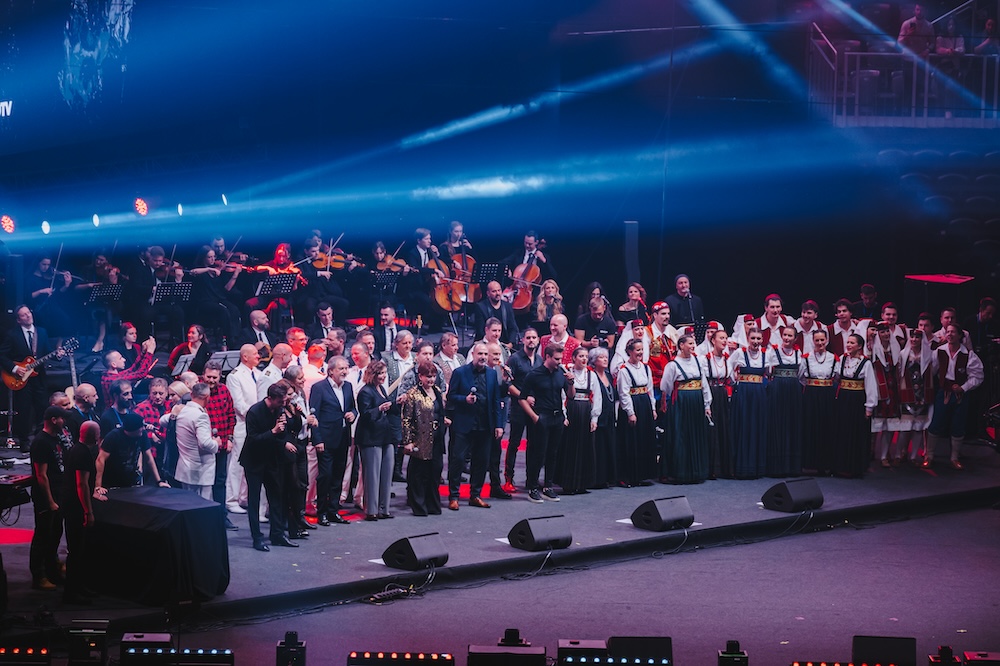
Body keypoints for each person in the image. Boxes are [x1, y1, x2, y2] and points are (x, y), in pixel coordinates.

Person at [242, 381, 299, 551]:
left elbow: (281, 436)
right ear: (271, 398)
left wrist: (283, 430)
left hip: (271, 459)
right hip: (254, 460)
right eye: (280, 401)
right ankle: (257, 538)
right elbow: (253, 439)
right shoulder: (254, 412)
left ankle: (277, 534)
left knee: (276, 498)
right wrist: (273, 431)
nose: (283, 404)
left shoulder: (279, 410)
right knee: (254, 499)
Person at [446, 343, 503, 510]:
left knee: (482, 461)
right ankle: (454, 496)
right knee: (458, 460)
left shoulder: (492, 374)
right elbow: (451, 396)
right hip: (464, 425)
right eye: (480, 354)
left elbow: (496, 400)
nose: (483, 357)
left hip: (485, 425)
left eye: (485, 354)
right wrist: (464, 399)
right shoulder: (460, 372)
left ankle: (475, 495)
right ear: (473, 355)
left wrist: (498, 425)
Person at [0, 305, 64, 445]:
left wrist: (57, 355)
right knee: (24, 410)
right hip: (21, 378)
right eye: (24, 315)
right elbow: (2, 355)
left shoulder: (41, 331)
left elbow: (47, 351)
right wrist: (15, 368)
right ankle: (24, 441)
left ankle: (41, 439)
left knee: (42, 408)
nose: (28, 315)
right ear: (18, 320)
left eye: (28, 312)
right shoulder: (12, 334)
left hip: (39, 377)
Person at [925, 323, 984, 470]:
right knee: (936, 423)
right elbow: (932, 371)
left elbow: (978, 376)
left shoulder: (968, 354)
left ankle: (954, 457)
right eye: (948, 332)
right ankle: (929, 456)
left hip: (960, 395)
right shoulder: (939, 351)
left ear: (959, 335)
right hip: (943, 393)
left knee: (958, 425)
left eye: (953, 332)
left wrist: (963, 387)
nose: (950, 334)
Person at [519, 343, 574, 503]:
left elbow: (571, 396)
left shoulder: (561, 373)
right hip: (542, 417)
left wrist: (571, 383)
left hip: (557, 417)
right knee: (538, 454)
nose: (559, 362)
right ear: (547, 357)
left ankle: (548, 486)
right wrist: (535, 417)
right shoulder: (534, 375)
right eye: (556, 359)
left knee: (553, 453)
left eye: (560, 358)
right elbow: (522, 398)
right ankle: (533, 487)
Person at [310, 355, 357, 525]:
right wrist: (317, 439)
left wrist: (353, 414)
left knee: (338, 476)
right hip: (326, 439)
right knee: (325, 476)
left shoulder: (348, 386)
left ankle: (333, 510)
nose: (345, 371)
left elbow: (353, 408)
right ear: (331, 371)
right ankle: (321, 511)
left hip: (342, 438)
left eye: (346, 368)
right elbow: (314, 415)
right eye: (341, 368)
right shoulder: (319, 388)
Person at [660, 333, 711, 484]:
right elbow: (665, 386)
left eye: (694, 343)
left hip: (696, 402)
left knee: (696, 434)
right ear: (681, 345)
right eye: (690, 343)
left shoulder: (698, 361)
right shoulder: (673, 365)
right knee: (681, 435)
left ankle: (696, 471)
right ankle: (680, 472)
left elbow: (704, 384)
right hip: (682, 403)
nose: (693, 346)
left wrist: (707, 404)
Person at [62, 421, 103, 604]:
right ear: (95, 436)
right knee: (76, 550)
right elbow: (81, 484)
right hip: (75, 508)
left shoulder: (77, 449)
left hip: (73, 505)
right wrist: (88, 511)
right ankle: (71, 592)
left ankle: (78, 586)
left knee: (80, 550)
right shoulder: (83, 454)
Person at [29, 406, 69, 592]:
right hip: (46, 497)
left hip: (59, 494)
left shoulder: (56, 438)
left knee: (55, 535)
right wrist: (50, 501)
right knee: (43, 536)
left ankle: (52, 571)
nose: (64, 422)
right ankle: (38, 576)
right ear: (54, 420)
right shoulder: (41, 442)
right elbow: (41, 475)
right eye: (62, 419)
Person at [401, 360, 448, 516]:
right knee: (419, 474)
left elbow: (438, 412)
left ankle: (432, 505)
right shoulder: (413, 394)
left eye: (433, 376)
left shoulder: (437, 391)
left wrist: (443, 420)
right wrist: (408, 441)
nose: (431, 379)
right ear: (420, 376)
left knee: (435, 472)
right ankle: (418, 505)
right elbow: (406, 419)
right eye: (428, 376)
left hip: (437, 438)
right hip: (420, 439)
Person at [832, 334, 878, 478]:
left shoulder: (866, 363)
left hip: (857, 400)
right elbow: (836, 377)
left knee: (855, 432)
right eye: (848, 342)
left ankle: (854, 467)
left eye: (852, 343)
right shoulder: (842, 359)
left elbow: (871, 385)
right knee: (842, 431)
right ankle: (840, 465)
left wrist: (869, 407)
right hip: (843, 398)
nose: (849, 345)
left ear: (859, 346)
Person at [557, 346, 601, 494]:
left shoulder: (591, 375)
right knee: (570, 446)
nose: (584, 359)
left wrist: (594, 418)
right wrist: (564, 415)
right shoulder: (567, 373)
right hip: (572, 410)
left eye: (586, 356)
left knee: (585, 446)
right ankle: (568, 483)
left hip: (586, 411)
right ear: (574, 358)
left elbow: (597, 397)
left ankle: (582, 483)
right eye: (581, 356)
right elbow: (562, 396)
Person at [503, 327, 543, 492]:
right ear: (523, 340)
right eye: (528, 337)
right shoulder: (514, 359)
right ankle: (508, 479)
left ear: (538, 340)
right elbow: (507, 384)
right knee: (514, 443)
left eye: (534, 337)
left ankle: (531, 479)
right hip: (518, 407)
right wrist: (524, 397)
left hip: (535, 408)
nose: (531, 340)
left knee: (534, 444)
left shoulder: (540, 360)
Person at [355, 360, 395, 521]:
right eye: (380, 373)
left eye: (384, 373)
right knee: (372, 475)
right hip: (370, 438)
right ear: (372, 374)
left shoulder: (382, 389)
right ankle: (371, 510)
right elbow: (365, 414)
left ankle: (384, 509)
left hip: (385, 436)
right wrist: (379, 408)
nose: (383, 376)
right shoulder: (365, 391)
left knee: (387, 473)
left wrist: (396, 403)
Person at [225, 344, 261, 516]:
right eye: (255, 354)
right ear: (245, 357)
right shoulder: (235, 376)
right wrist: (257, 416)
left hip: (257, 425)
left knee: (252, 463)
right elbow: (238, 404)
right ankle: (231, 500)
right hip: (243, 424)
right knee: (237, 464)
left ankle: (244, 497)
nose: (258, 356)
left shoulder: (258, 373)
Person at [202, 361, 237, 530]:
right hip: (204, 447)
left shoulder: (224, 390)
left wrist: (230, 438)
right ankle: (203, 518)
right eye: (208, 376)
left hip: (222, 445)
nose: (211, 380)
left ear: (220, 377)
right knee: (203, 482)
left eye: (214, 377)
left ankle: (222, 517)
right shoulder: (198, 391)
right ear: (203, 375)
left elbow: (231, 415)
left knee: (220, 481)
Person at [616, 339, 656, 488]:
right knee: (631, 441)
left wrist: (653, 408)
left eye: (641, 349)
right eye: (637, 350)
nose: (640, 352)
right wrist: (630, 412)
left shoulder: (646, 368)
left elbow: (650, 389)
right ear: (630, 352)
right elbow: (623, 393)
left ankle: (642, 474)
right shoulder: (624, 370)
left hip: (644, 404)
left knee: (644, 439)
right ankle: (628, 476)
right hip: (632, 404)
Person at [764, 326, 803, 477]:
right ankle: (776, 465)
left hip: (793, 391)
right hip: (778, 389)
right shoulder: (773, 351)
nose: (786, 338)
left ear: (795, 338)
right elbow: (767, 371)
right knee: (777, 423)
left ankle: (791, 466)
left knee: (792, 424)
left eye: (790, 336)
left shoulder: (798, 353)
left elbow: (801, 374)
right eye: (785, 335)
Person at [729, 328, 768, 479]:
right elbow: (728, 368)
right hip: (744, 393)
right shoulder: (739, 353)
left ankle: (757, 466)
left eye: (758, 338)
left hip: (759, 394)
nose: (756, 342)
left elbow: (769, 373)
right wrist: (735, 383)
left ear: (762, 340)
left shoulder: (766, 354)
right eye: (753, 338)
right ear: (748, 338)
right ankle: (742, 466)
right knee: (744, 425)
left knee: (757, 426)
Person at [95, 412, 170, 490]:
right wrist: (98, 486)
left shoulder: (142, 435)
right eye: (141, 427)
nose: (143, 429)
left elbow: (149, 458)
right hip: (112, 480)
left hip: (130, 479)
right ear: (132, 429)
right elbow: (100, 460)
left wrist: (159, 481)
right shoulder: (113, 436)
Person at [799, 329, 838, 476]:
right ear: (813, 341)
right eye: (817, 340)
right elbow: (801, 377)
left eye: (822, 340)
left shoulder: (833, 358)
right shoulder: (806, 357)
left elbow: (837, 377)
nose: (820, 343)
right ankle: (810, 463)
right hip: (811, 395)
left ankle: (825, 464)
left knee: (826, 428)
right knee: (811, 427)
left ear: (827, 340)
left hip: (827, 395)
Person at [173, 382, 221, 499]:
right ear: (207, 397)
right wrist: (216, 443)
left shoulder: (182, 411)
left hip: (185, 469)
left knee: (187, 503)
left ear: (191, 394)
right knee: (202, 505)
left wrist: (173, 414)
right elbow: (205, 443)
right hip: (199, 472)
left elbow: (162, 421)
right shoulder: (200, 415)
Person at [897, 327, 937, 466]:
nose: (914, 339)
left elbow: (934, 372)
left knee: (919, 428)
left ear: (922, 339)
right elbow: (899, 372)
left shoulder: (929, 355)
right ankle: (899, 454)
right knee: (904, 428)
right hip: (907, 393)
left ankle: (913, 456)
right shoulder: (903, 354)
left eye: (917, 337)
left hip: (922, 393)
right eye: (912, 337)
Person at [188, 245, 243, 343]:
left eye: (214, 256)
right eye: (209, 257)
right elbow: (193, 272)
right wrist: (209, 269)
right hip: (205, 301)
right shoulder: (201, 271)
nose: (213, 259)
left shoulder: (218, 270)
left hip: (219, 299)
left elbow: (227, 288)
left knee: (234, 309)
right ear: (203, 258)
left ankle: (236, 337)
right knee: (223, 311)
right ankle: (228, 339)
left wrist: (235, 274)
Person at [869, 320, 904, 468]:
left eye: (887, 331)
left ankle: (884, 455)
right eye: (882, 332)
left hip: (893, 391)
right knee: (875, 425)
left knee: (890, 425)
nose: (885, 334)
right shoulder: (872, 350)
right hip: (877, 390)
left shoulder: (895, 348)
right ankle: (870, 452)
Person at [702, 328, 734, 479]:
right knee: (712, 431)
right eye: (721, 338)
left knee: (723, 428)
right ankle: (712, 468)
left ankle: (725, 467)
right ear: (713, 341)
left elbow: (731, 379)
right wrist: (706, 403)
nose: (724, 341)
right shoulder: (705, 359)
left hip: (722, 393)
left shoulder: (727, 359)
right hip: (711, 393)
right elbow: (703, 382)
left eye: (726, 338)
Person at [589, 346, 617, 489]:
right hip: (598, 415)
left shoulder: (608, 375)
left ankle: (607, 477)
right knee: (597, 446)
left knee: (608, 444)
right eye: (601, 357)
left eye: (606, 357)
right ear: (594, 360)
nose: (605, 359)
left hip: (609, 415)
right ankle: (596, 478)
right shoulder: (592, 375)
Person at [100, 335, 156, 407]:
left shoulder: (109, 374)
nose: (124, 359)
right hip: (118, 410)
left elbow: (132, 369)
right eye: (120, 358)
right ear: (114, 364)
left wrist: (143, 353)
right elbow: (141, 374)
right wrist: (150, 352)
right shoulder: (115, 380)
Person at [133, 378, 169, 480]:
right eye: (154, 393)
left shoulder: (171, 406)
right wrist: (150, 435)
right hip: (150, 454)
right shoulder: (141, 408)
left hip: (166, 452)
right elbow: (133, 431)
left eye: (161, 393)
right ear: (149, 392)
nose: (157, 397)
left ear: (167, 392)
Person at [645, 302, 679, 403]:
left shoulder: (672, 331)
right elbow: (644, 358)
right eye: (663, 314)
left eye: (668, 314)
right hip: (654, 382)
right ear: (655, 315)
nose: (667, 317)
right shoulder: (647, 332)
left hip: (671, 381)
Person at [474, 281, 519, 349]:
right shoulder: (481, 307)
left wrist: (510, 343)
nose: (497, 293)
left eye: (499, 290)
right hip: (486, 344)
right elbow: (481, 331)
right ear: (488, 293)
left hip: (505, 344)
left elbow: (513, 327)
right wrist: (494, 345)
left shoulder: (507, 306)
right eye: (494, 291)